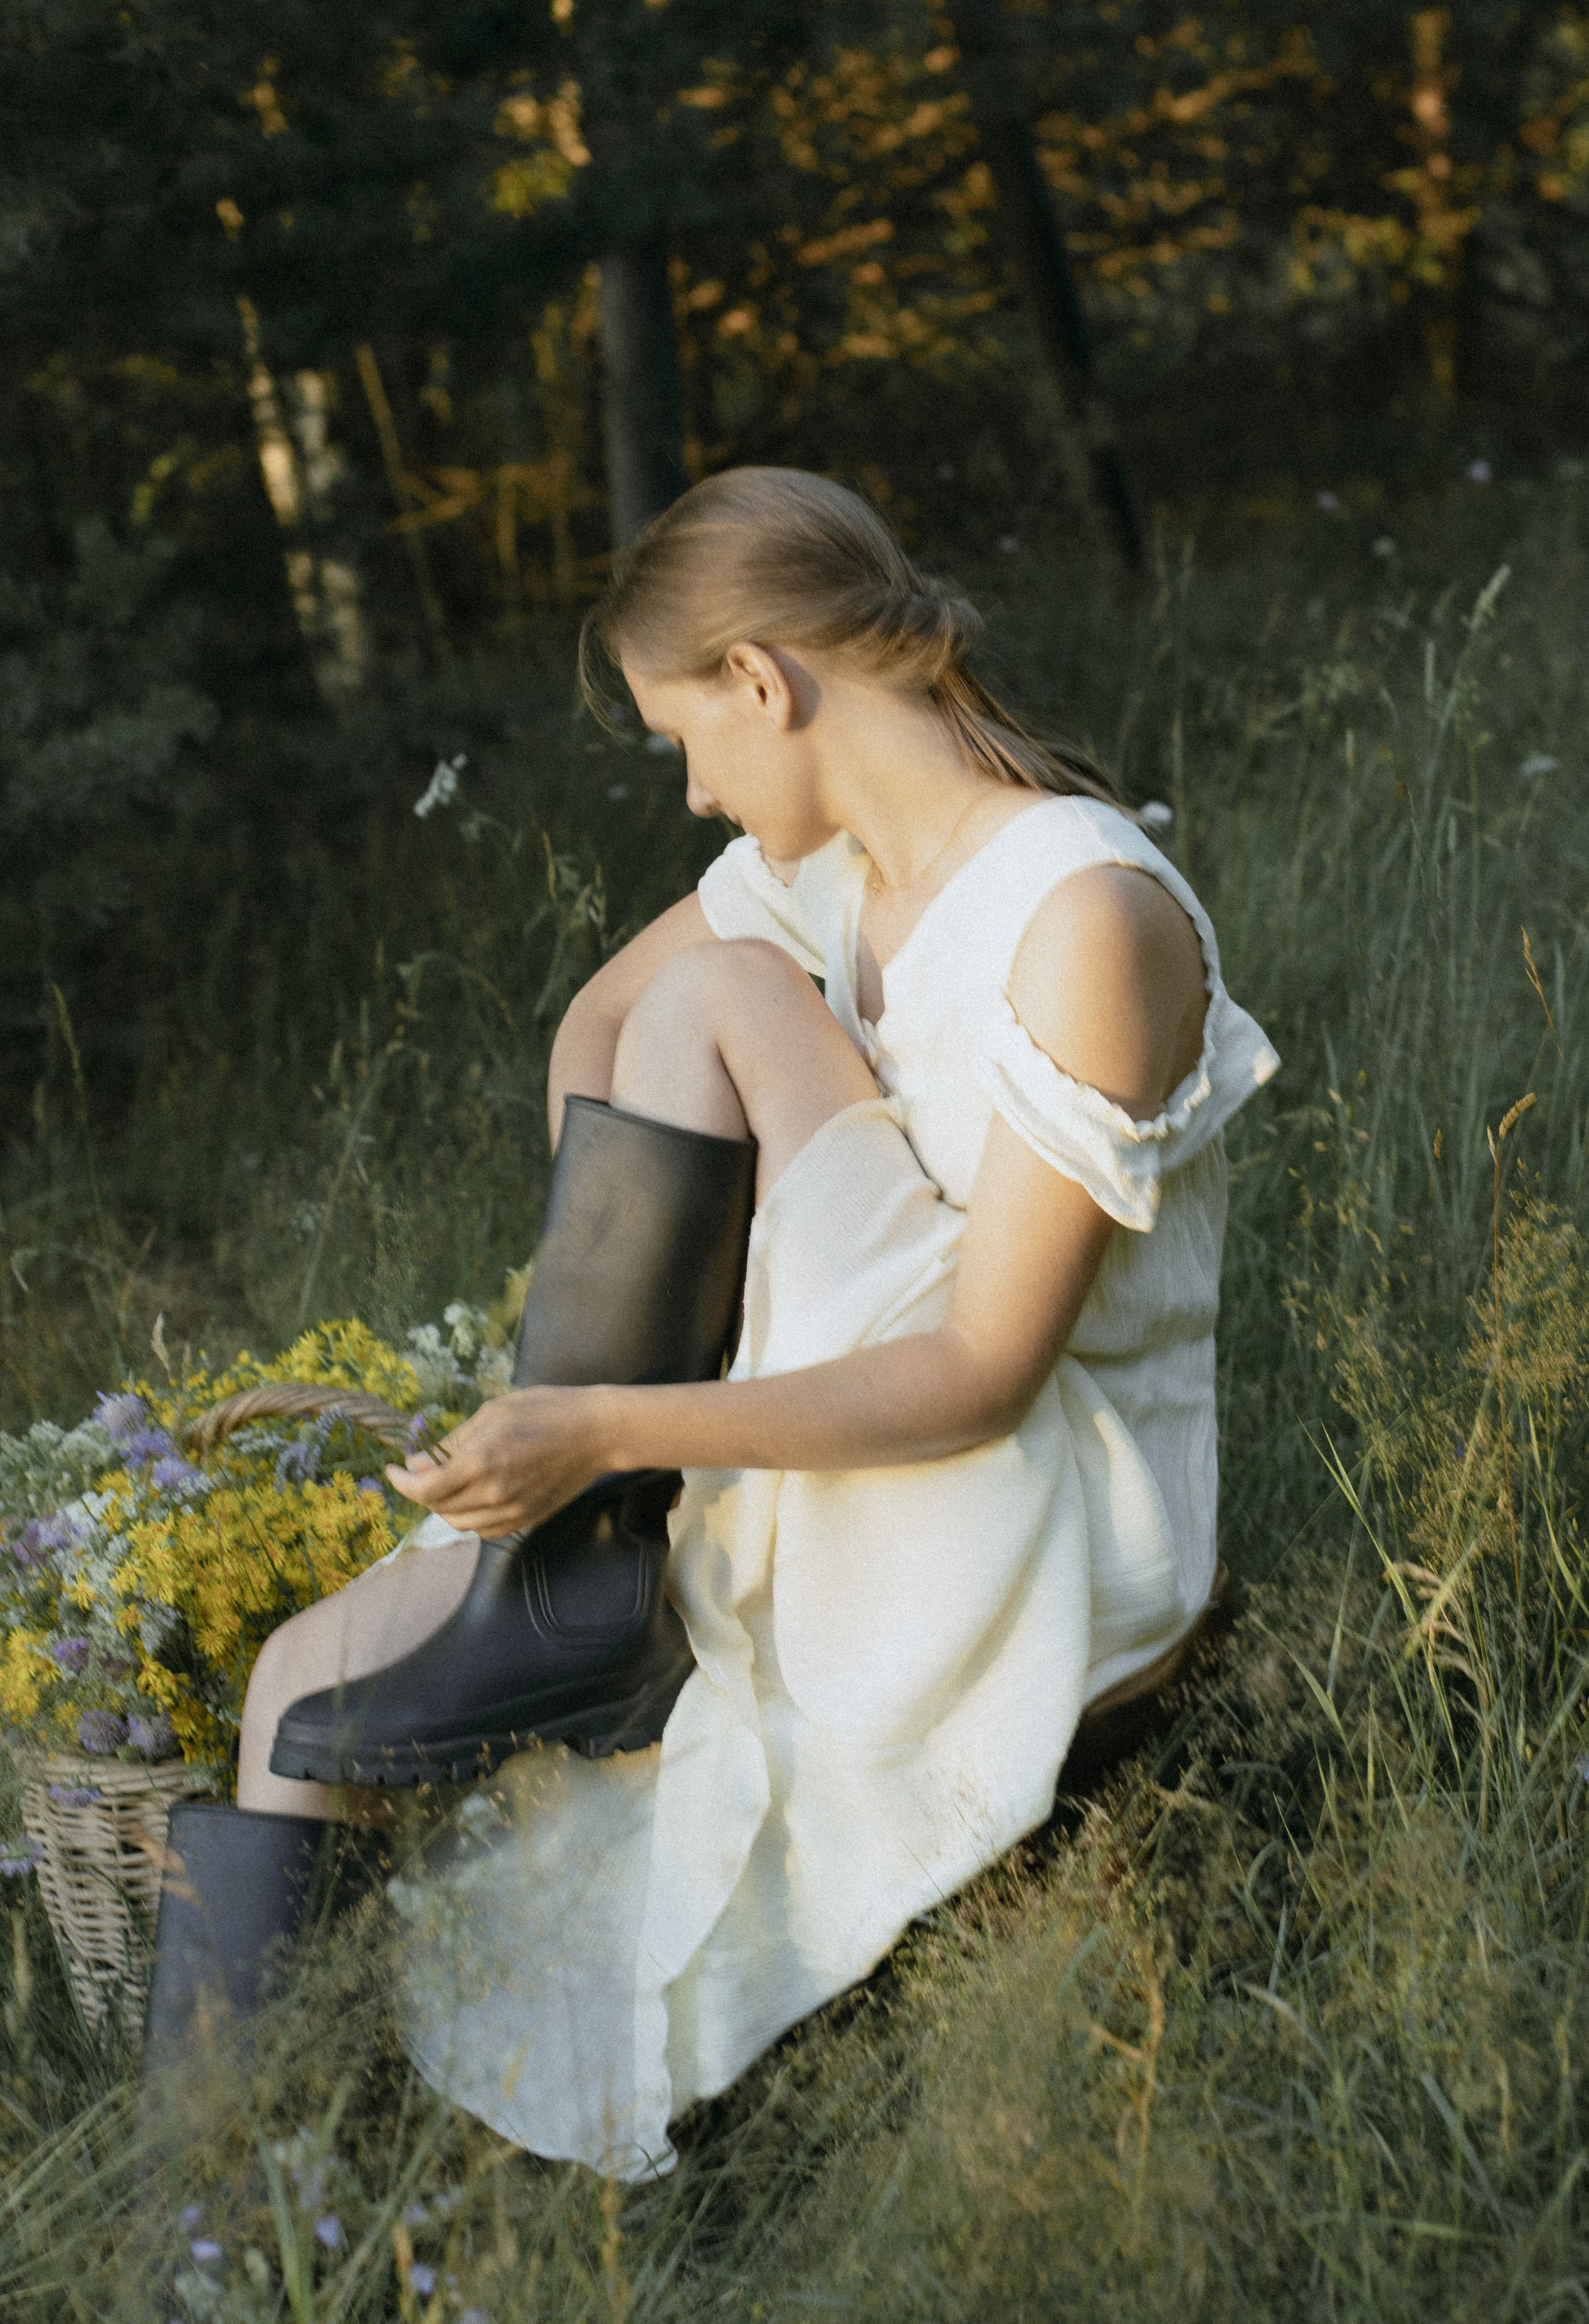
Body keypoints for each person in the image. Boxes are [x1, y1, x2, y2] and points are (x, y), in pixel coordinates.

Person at [142, 466, 1277, 2179]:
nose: (690, 791)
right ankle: (208, 2245)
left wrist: (602, 1431)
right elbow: (591, 1033)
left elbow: (982, 1376)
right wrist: (614, 1356)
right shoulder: (834, 867)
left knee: (721, 991)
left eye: (687, 734)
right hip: (801, 1420)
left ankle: (580, 1571)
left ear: (764, 679)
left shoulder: (1082, 921)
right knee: (302, 1674)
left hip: (1027, 1506)